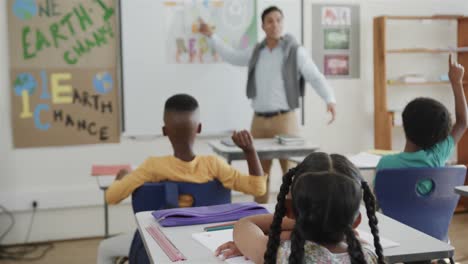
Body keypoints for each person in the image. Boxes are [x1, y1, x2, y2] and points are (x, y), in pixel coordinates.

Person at [97, 94, 267, 264]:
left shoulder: (153, 166)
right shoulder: (214, 165)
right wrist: (250, 151)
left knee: (105, 248)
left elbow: (111, 197)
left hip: (162, 246)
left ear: (165, 131)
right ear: (199, 128)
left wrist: (122, 177)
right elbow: (258, 188)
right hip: (209, 244)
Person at [199, 6, 337, 203]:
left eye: (279, 20)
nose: (275, 25)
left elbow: (315, 76)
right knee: (259, 174)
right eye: (270, 21)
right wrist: (212, 37)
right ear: (263, 26)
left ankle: (292, 214)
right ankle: (260, 215)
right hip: (259, 120)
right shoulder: (257, 51)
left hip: (285, 120)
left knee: (291, 172)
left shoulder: (295, 51)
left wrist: (329, 99)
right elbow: (232, 56)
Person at [215, 153, 386, 264]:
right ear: (356, 221)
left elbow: (244, 225)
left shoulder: (280, 255)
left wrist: (290, 228)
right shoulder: (368, 256)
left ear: (289, 210)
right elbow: (355, 238)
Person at [375, 54, 467, 195]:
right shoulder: (436, 157)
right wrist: (457, 82)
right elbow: (462, 122)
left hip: (392, 218)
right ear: (439, 136)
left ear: (405, 124)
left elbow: (378, 198)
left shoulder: (385, 164)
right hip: (435, 218)